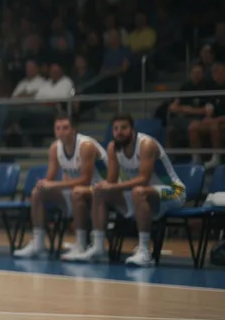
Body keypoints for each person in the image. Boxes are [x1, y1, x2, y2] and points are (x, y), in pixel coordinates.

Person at [65, 114, 185, 267]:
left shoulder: (146, 144)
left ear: (132, 130)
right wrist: (101, 187)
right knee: (99, 192)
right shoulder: (112, 147)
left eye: (124, 128)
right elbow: (112, 180)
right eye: (115, 129)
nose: (119, 132)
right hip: (140, 192)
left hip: (174, 191)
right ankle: (98, 246)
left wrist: (113, 187)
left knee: (139, 191)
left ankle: (144, 251)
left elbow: (143, 179)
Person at [12, 115, 108, 259]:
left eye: (65, 128)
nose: (61, 131)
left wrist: (54, 184)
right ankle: (38, 244)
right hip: (77, 191)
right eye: (57, 128)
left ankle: (81, 245)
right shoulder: (55, 147)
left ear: (74, 130)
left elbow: (85, 180)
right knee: (38, 192)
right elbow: (50, 178)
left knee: (77, 192)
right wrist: (43, 184)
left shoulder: (86, 145)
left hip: (102, 188)